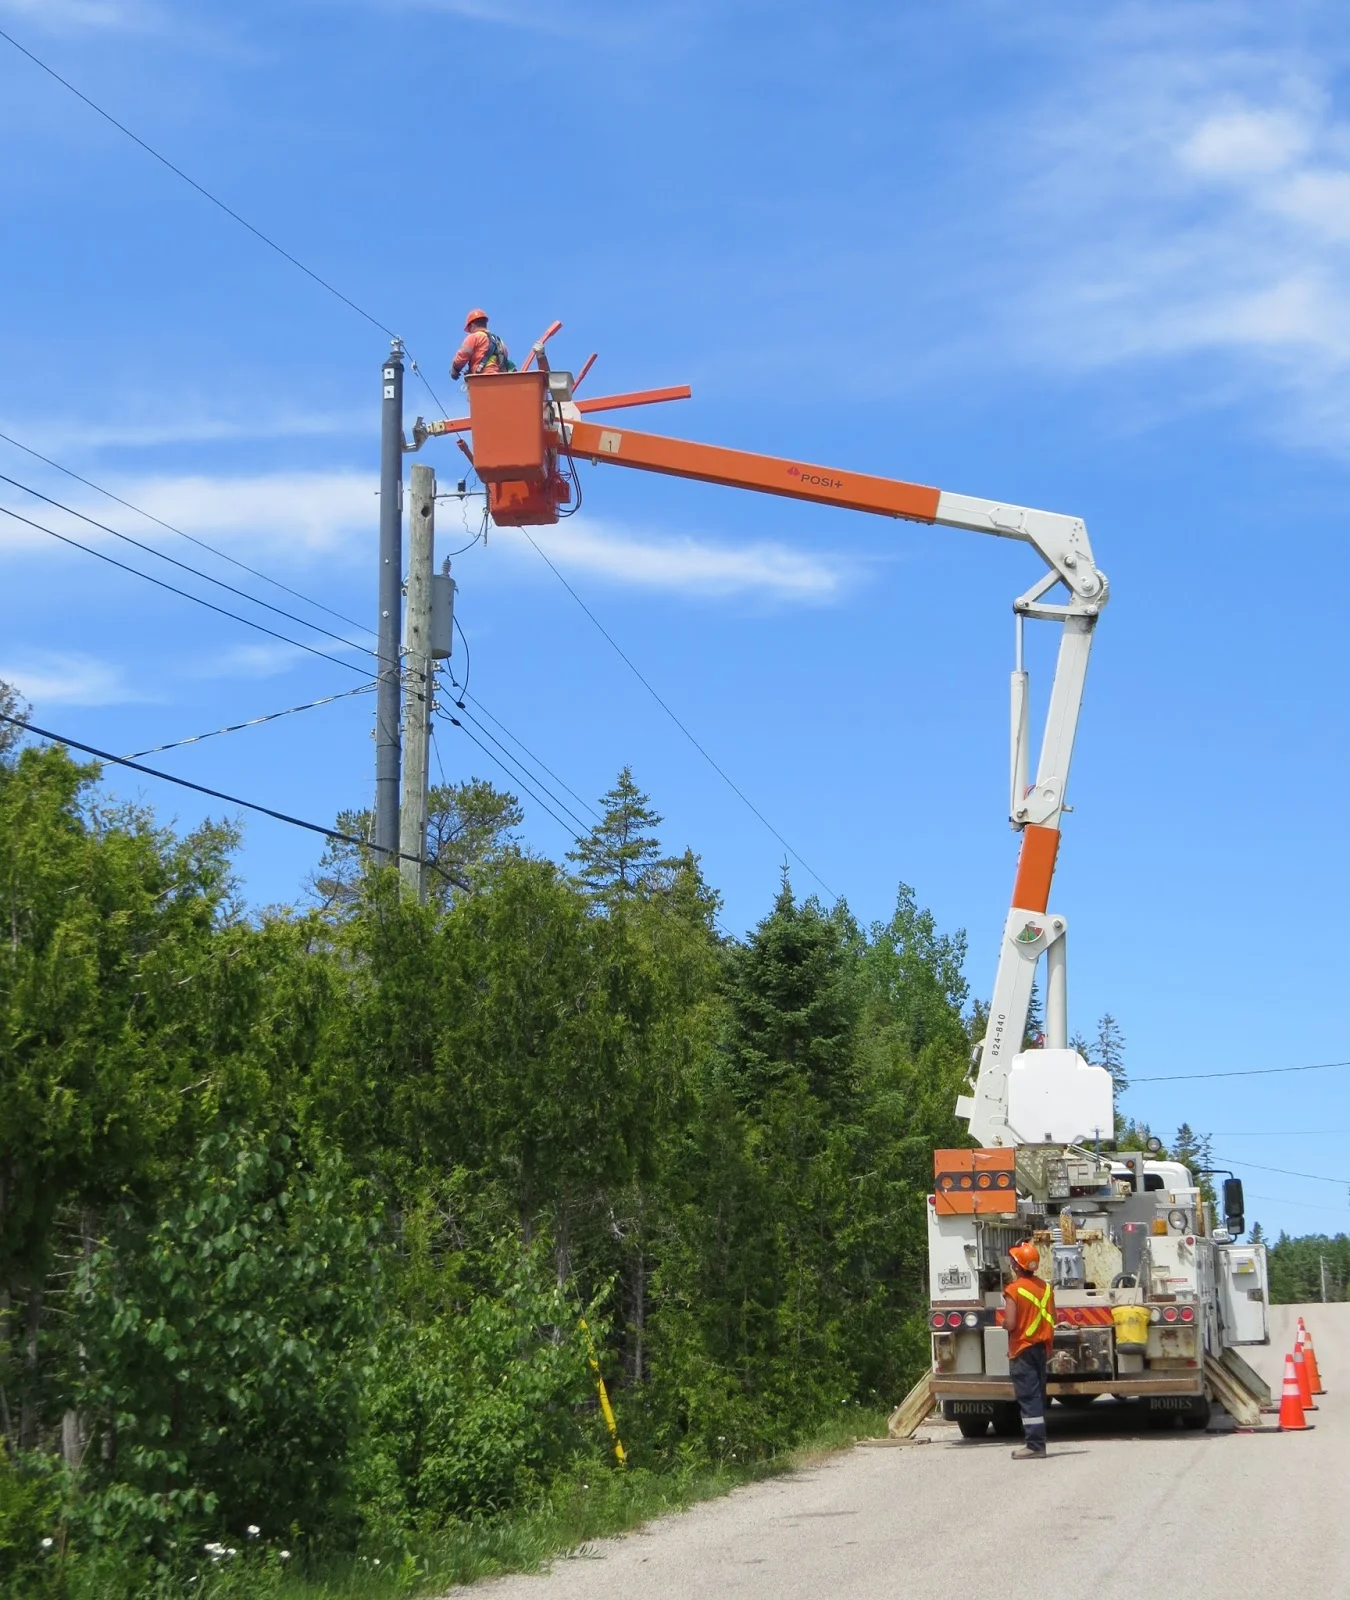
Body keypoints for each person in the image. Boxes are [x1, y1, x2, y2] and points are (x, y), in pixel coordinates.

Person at [1003, 1240, 1055, 1459]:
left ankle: (1034, 1445)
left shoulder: (1013, 1290)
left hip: (1022, 1349)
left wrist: (1003, 1323)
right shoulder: (1046, 1288)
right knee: (1038, 1396)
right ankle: (1037, 1442)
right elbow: (1052, 1316)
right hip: (1041, 1348)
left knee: (1028, 1396)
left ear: (1017, 1266)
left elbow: (1011, 1323)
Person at [450, 309, 514, 379]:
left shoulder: (474, 337)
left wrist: (455, 368)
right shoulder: (499, 341)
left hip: (482, 379)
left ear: (472, 325)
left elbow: (462, 355)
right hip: (500, 380)